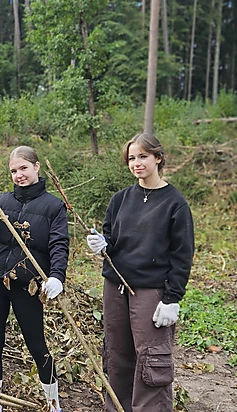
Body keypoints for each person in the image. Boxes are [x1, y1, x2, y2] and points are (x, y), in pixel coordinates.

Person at [86, 133, 194, 411]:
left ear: (158, 158)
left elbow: (182, 256)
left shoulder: (175, 203)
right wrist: (103, 245)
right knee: (117, 356)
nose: (136, 163)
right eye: (132, 158)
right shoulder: (120, 199)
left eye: (143, 156)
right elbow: (111, 236)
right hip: (115, 288)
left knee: (151, 360)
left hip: (150, 291)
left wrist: (172, 299)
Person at [0, 146, 69, 412]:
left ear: (37, 167)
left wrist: (57, 276)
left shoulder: (53, 206)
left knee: (37, 344)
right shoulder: (0, 202)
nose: (19, 175)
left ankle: (54, 405)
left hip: (26, 284)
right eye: (14, 171)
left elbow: (59, 244)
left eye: (24, 168)